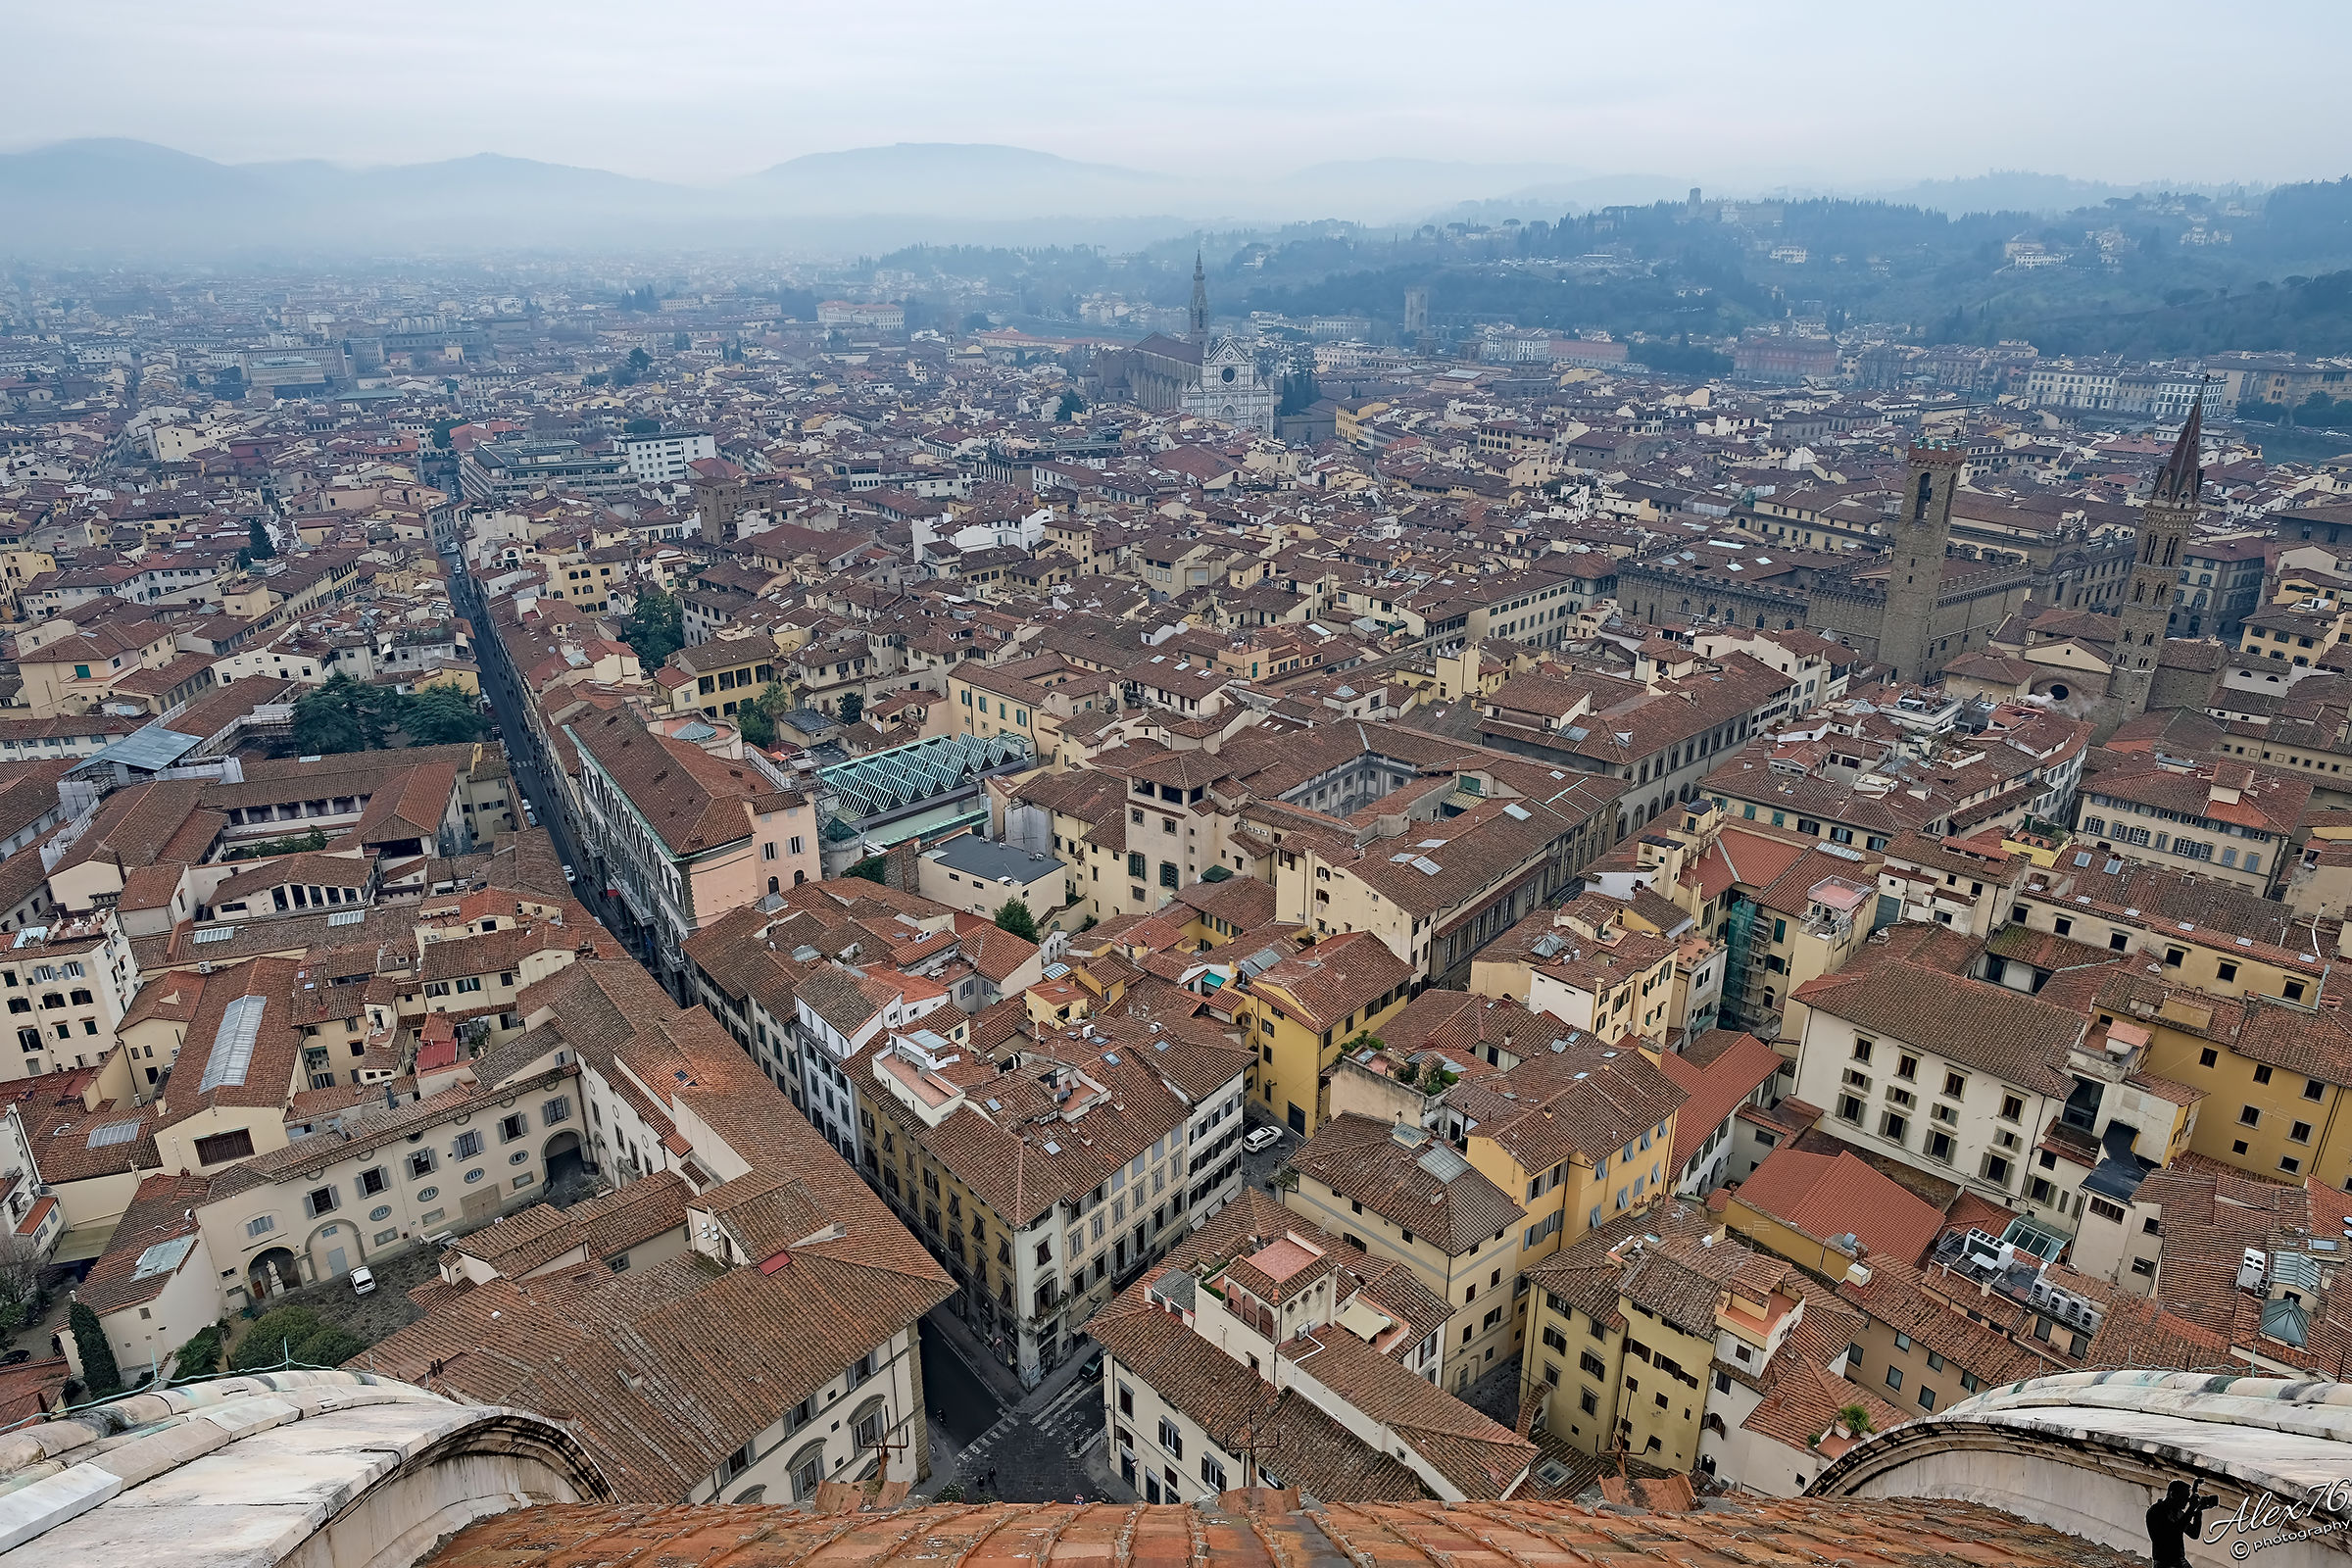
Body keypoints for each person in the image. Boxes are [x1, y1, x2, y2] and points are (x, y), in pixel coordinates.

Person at [2145, 1478, 2218, 1568]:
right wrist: (2191, 1509)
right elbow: (2173, 1533)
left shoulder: (2177, 1512)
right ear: (2172, 1494)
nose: (2187, 1501)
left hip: (2179, 1561)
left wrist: (2198, 1511)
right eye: (2184, 1497)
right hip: (2164, 1563)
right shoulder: (2156, 1511)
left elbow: (2194, 1534)